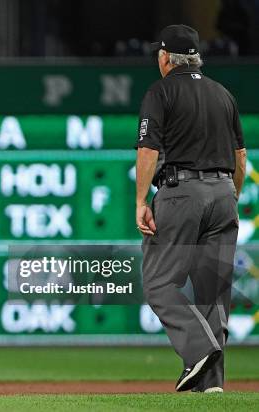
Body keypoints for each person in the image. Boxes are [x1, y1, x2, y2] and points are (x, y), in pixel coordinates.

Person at [135, 24, 246, 392]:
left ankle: (199, 349)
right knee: (213, 292)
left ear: (166, 57)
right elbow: (240, 157)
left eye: (159, 53)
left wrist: (140, 203)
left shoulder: (161, 90)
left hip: (182, 192)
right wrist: (232, 196)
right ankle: (210, 385)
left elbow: (148, 150)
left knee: (158, 282)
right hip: (224, 193)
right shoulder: (223, 94)